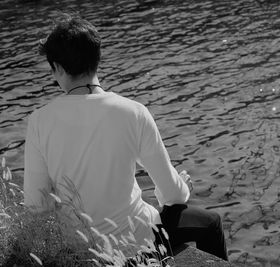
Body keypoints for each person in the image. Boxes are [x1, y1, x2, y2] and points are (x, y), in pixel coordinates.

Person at [23, 13, 228, 263]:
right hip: (137, 243)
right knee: (211, 223)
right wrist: (183, 187)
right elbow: (173, 194)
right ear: (97, 60)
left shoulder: (39, 121)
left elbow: (36, 207)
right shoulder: (133, 112)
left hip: (78, 249)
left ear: (58, 68)